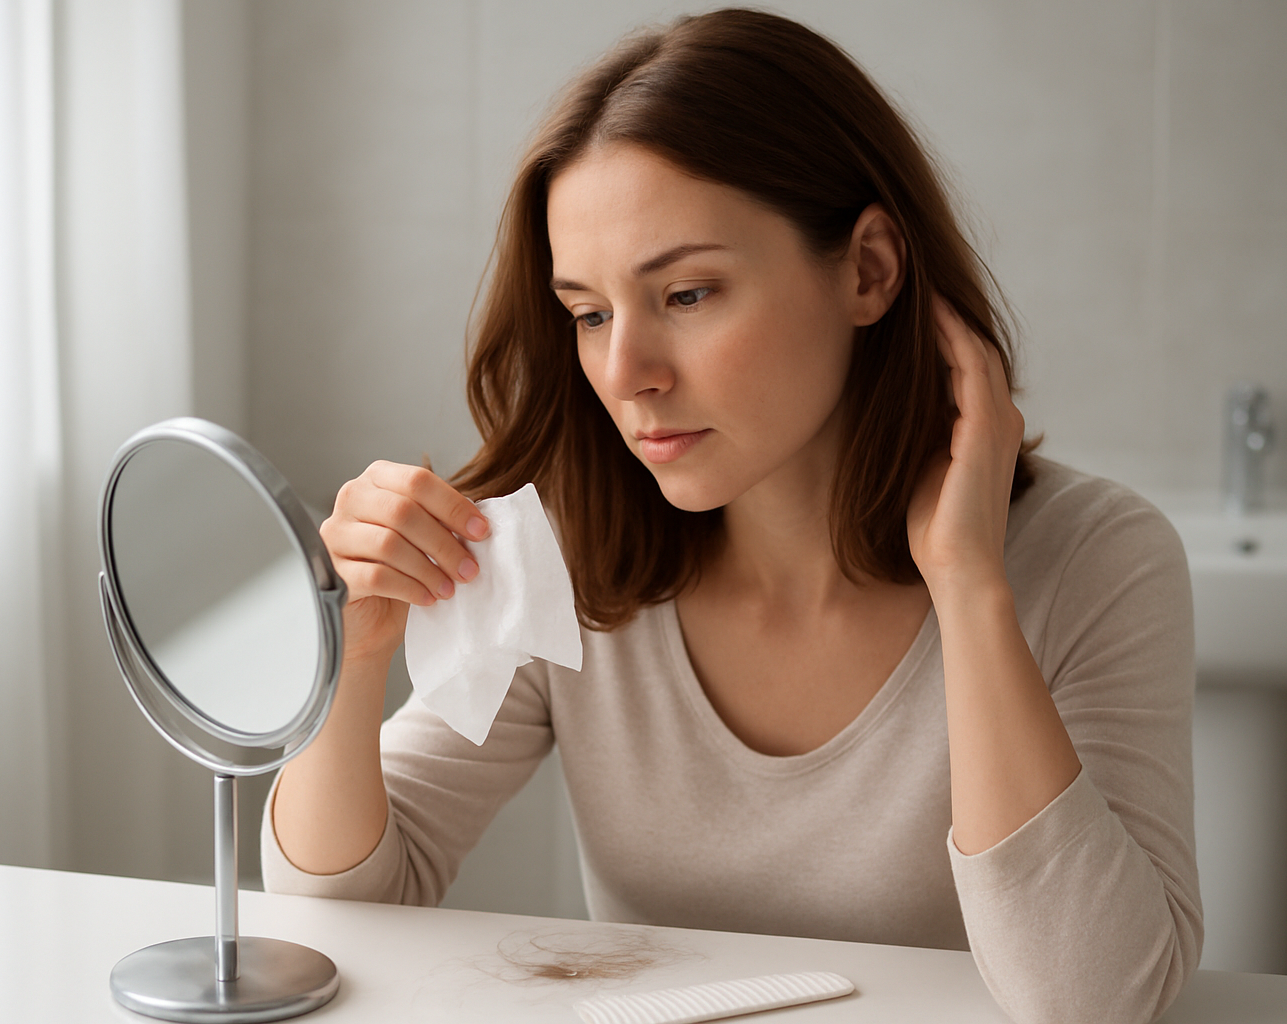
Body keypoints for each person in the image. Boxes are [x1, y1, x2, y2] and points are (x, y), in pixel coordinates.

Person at [263, 9, 1201, 1023]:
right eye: (589, 312)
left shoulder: (1101, 559)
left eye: (690, 293)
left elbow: (1101, 1001)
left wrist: (970, 587)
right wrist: (353, 659)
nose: (626, 375)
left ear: (868, 270)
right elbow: (341, 908)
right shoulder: (570, 556)